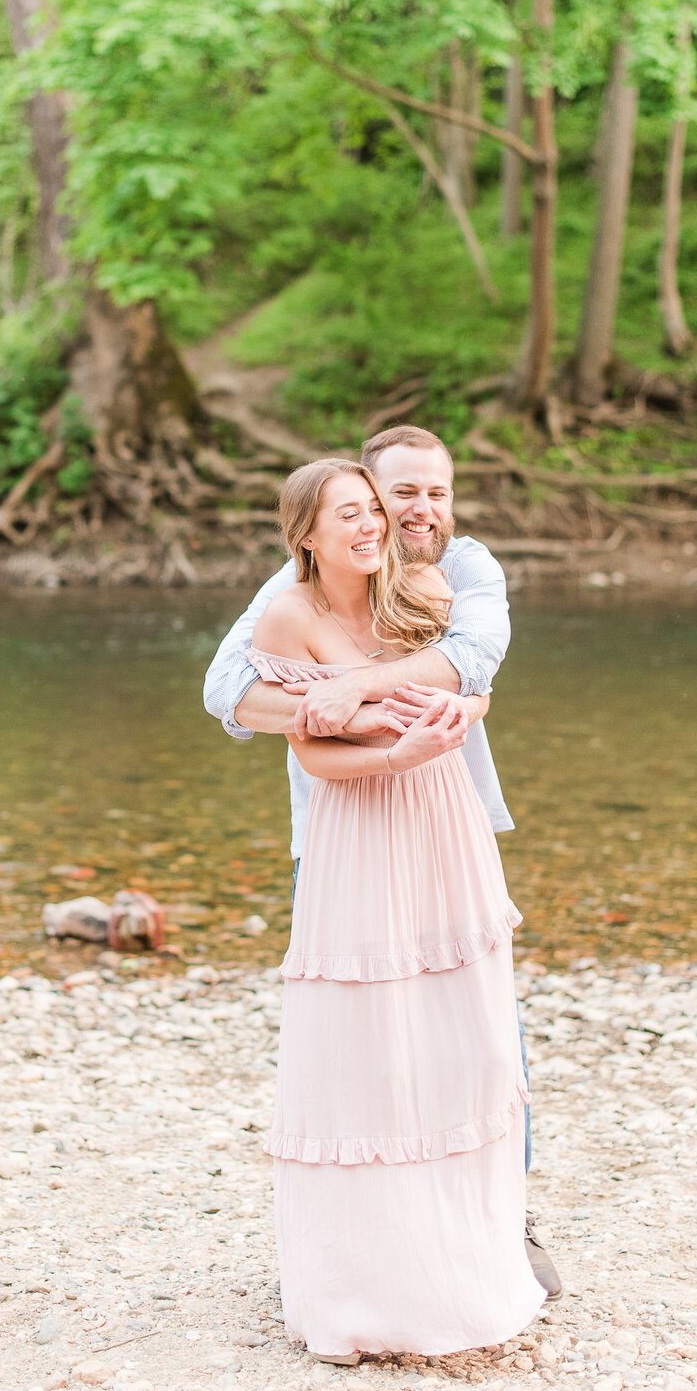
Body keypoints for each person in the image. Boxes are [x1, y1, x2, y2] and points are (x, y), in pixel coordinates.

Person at [203, 425, 561, 1299]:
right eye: (395, 495)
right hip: (340, 839)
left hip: (445, 828)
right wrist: (347, 722)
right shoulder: (302, 586)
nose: (414, 512)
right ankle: (373, 1250)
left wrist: (350, 692)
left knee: (478, 1038)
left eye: (432, 493)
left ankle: (499, 1221)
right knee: (361, 1045)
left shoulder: (462, 573)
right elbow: (226, 690)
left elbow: (473, 669)